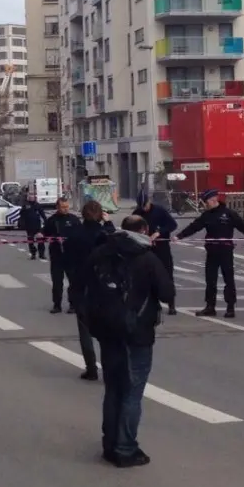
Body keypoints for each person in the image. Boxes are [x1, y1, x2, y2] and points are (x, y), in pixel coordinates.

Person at [85, 215, 174, 467]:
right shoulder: (146, 258)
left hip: (105, 329)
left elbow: (82, 284)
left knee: (113, 388)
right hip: (137, 332)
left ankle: (109, 443)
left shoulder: (101, 252)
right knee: (132, 391)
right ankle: (125, 448)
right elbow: (167, 293)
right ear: (145, 230)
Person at [176, 189, 244, 318]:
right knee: (210, 280)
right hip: (211, 252)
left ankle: (230, 308)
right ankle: (210, 307)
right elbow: (194, 227)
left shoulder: (228, 214)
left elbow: (243, 225)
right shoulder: (207, 215)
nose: (205, 205)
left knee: (228, 280)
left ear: (213, 200)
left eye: (206, 202)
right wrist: (179, 236)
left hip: (225, 251)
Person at [63, 200, 112, 381]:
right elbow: (117, 247)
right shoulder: (104, 234)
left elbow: (66, 260)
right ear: (101, 214)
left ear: (82, 214)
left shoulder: (74, 234)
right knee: (107, 332)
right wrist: (108, 223)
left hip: (81, 286)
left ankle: (91, 368)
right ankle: (108, 370)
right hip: (104, 289)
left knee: (85, 330)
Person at [134, 195, 179, 315]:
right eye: (141, 206)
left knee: (167, 275)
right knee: (147, 277)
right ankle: (152, 303)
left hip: (162, 248)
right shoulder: (137, 213)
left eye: (145, 205)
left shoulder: (160, 211)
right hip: (145, 249)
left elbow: (172, 225)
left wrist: (159, 233)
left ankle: (171, 304)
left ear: (149, 202)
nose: (144, 208)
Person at [42, 198, 81, 315]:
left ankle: (73, 305)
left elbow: (80, 234)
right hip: (56, 256)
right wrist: (41, 235)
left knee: (73, 282)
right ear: (57, 207)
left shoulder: (74, 220)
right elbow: (44, 233)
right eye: (63, 207)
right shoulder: (52, 220)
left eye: (67, 207)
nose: (65, 209)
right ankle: (57, 305)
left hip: (71, 256)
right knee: (57, 282)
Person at [20, 194, 47, 260]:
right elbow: (22, 215)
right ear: (28, 198)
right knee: (30, 241)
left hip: (37, 226)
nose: (31, 198)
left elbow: (42, 214)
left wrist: (46, 221)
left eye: (33, 197)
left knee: (40, 240)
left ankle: (41, 254)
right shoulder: (25, 205)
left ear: (35, 198)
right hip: (29, 226)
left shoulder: (37, 205)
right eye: (30, 197)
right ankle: (33, 254)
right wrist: (22, 223)